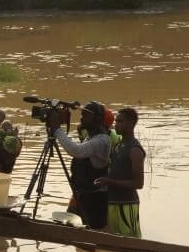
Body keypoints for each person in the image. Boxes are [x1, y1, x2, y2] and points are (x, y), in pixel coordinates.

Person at [48, 101, 111, 229]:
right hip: (82, 195)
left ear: (97, 119)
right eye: (82, 114)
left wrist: (57, 130)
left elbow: (77, 151)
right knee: (74, 233)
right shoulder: (90, 138)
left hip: (95, 200)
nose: (81, 118)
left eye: (86, 115)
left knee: (94, 236)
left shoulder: (102, 140)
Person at [95, 108, 145, 238]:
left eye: (120, 121)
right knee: (113, 244)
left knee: (130, 244)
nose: (115, 124)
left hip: (127, 204)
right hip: (112, 202)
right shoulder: (118, 146)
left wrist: (109, 181)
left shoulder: (135, 149)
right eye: (116, 121)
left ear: (131, 123)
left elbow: (139, 184)